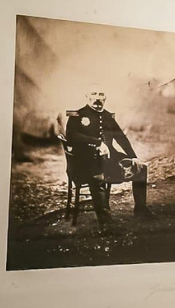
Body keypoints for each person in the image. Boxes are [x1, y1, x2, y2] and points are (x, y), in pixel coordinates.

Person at [65, 86, 152, 228]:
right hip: (85, 162)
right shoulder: (77, 115)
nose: (98, 98)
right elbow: (71, 136)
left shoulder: (107, 116)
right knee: (98, 178)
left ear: (105, 98)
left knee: (141, 169)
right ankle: (106, 223)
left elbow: (121, 137)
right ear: (87, 96)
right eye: (94, 94)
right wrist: (97, 143)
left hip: (110, 160)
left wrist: (133, 157)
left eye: (101, 95)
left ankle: (141, 210)